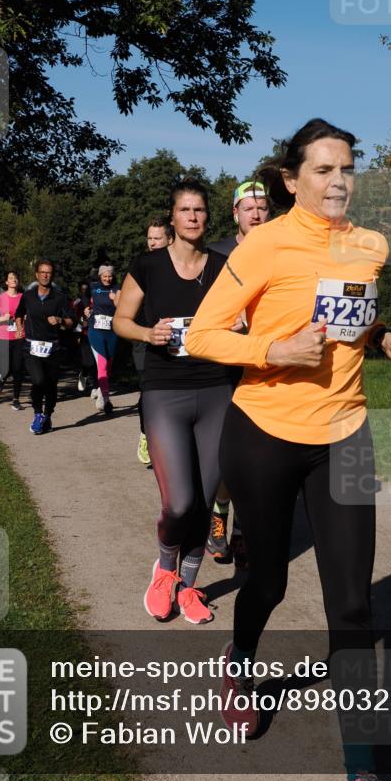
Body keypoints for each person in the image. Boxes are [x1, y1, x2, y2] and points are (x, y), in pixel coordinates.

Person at [186, 119, 391, 781]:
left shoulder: (370, 244)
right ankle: (241, 658)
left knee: (350, 606)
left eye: (346, 168)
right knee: (270, 582)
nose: (338, 180)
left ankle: (361, 769)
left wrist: (383, 343)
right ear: (292, 180)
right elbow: (201, 335)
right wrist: (271, 351)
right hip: (262, 434)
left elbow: (354, 319)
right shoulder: (264, 245)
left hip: (344, 432)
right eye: (322, 169)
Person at [113, 179, 238, 626]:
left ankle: (188, 583)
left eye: (199, 210)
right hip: (165, 389)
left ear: (207, 217)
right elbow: (121, 320)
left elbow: (242, 318)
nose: (192, 217)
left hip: (216, 389)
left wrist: (239, 328)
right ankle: (165, 567)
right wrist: (150, 334)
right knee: (180, 503)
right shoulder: (148, 265)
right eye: (184, 210)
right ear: (172, 217)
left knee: (204, 502)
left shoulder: (224, 266)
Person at [206, 180, 272, 565]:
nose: (256, 213)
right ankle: (220, 514)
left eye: (262, 206)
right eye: (248, 207)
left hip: (268, 367)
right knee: (227, 455)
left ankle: (244, 531)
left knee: (258, 458)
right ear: (235, 213)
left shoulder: (282, 250)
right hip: (225, 368)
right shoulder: (217, 254)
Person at [15, 259, 74, 434]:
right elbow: (19, 313)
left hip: (53, 348)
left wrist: (60, 320)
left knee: (51, 385)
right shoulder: (28, 296)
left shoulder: (60, 297)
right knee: (38, 380)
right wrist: (19, 328)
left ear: (52, 275)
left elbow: (72, 321)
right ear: (37, 275)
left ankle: (47, 414)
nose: (45, 275)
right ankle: (37, 414)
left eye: (48, 272)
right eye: (42, 272)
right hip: (31, 347)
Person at [134, 216, 173, 466]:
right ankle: (146, 432)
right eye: (149, 238)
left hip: (173, 338)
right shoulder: (140, 266)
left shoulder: (182, 265)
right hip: (142, 338)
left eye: (157, 238)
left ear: (170, 239)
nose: (152, 243)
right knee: (148, 391)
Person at [84, 264, 121, 414]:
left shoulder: (117, 288)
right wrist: (87, 307)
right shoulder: (93, 287)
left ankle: (101, 391)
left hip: (112, 331)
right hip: (96, 330)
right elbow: (84, 296)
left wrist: (115, 299)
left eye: (110, 276)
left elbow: (123, 306)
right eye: (104, 276)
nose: (107, 278)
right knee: (102, 363)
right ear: (100, 276)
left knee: (108, 366)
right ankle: (106, 399)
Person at [0, 271, 26, 410]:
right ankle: (2, 378)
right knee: (7, 368)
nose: (14, 279)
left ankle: (16, 400)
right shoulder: (0, 298)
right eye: (10, 278)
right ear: (6, 282)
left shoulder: (23, 297)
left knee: (18, 369)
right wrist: (3, 318)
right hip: (3, 338)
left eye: (16, 277)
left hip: (19, 336)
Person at [72, 281, 96, 393]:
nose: (85, 291)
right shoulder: (78, 303)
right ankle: (84, 373)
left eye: (86, 289)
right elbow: (77, 318)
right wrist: (83, 322)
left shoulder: (97, 300)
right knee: (88, 361)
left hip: (99, 334)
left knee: (97, 362)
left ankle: (96, 387)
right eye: (82, 289)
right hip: (85, 334)